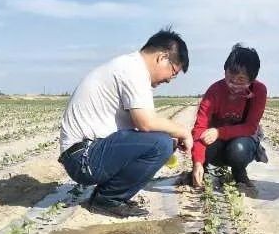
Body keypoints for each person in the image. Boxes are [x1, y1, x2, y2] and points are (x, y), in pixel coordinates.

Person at [58, 28, 193, 217]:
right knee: (161, 144)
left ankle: (108, 194)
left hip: (85, 153)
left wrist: (172, 134)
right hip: (84, 158)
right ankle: (108, 200)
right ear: (162, 57)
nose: (170, 80)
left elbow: (142, 126)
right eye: (173, 72)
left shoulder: (130, 67)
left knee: (163, 140)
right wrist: (183, 131)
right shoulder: (133, 70)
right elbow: (145, 122)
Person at [191, 44, 268, 189]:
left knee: (239, 149)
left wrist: (219, 132)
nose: (233, 84)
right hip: (217, 143)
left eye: (240, 80)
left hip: (242, 143)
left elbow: (250, 127)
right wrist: (197, 162)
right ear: (224, 70)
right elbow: (200, 127)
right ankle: (204, 170)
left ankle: (239, 171)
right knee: (204, 141)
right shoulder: (214, 91)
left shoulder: (259, 91)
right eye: (229, 78)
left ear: (252, 79)